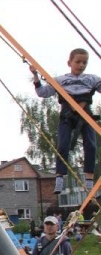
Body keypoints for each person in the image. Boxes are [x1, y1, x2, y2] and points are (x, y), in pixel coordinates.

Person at [31, 48, 101, 193]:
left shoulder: (92, 79)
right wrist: (35, 76)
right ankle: (59, 178)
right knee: (63, 145)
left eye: (84, 63)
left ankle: (89, 181)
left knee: (91, 146)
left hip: (85, 115)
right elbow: (42, 93)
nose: (81, 65)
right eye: (78, 62)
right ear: (69, 63)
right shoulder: (60, 80)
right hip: (67, 116)